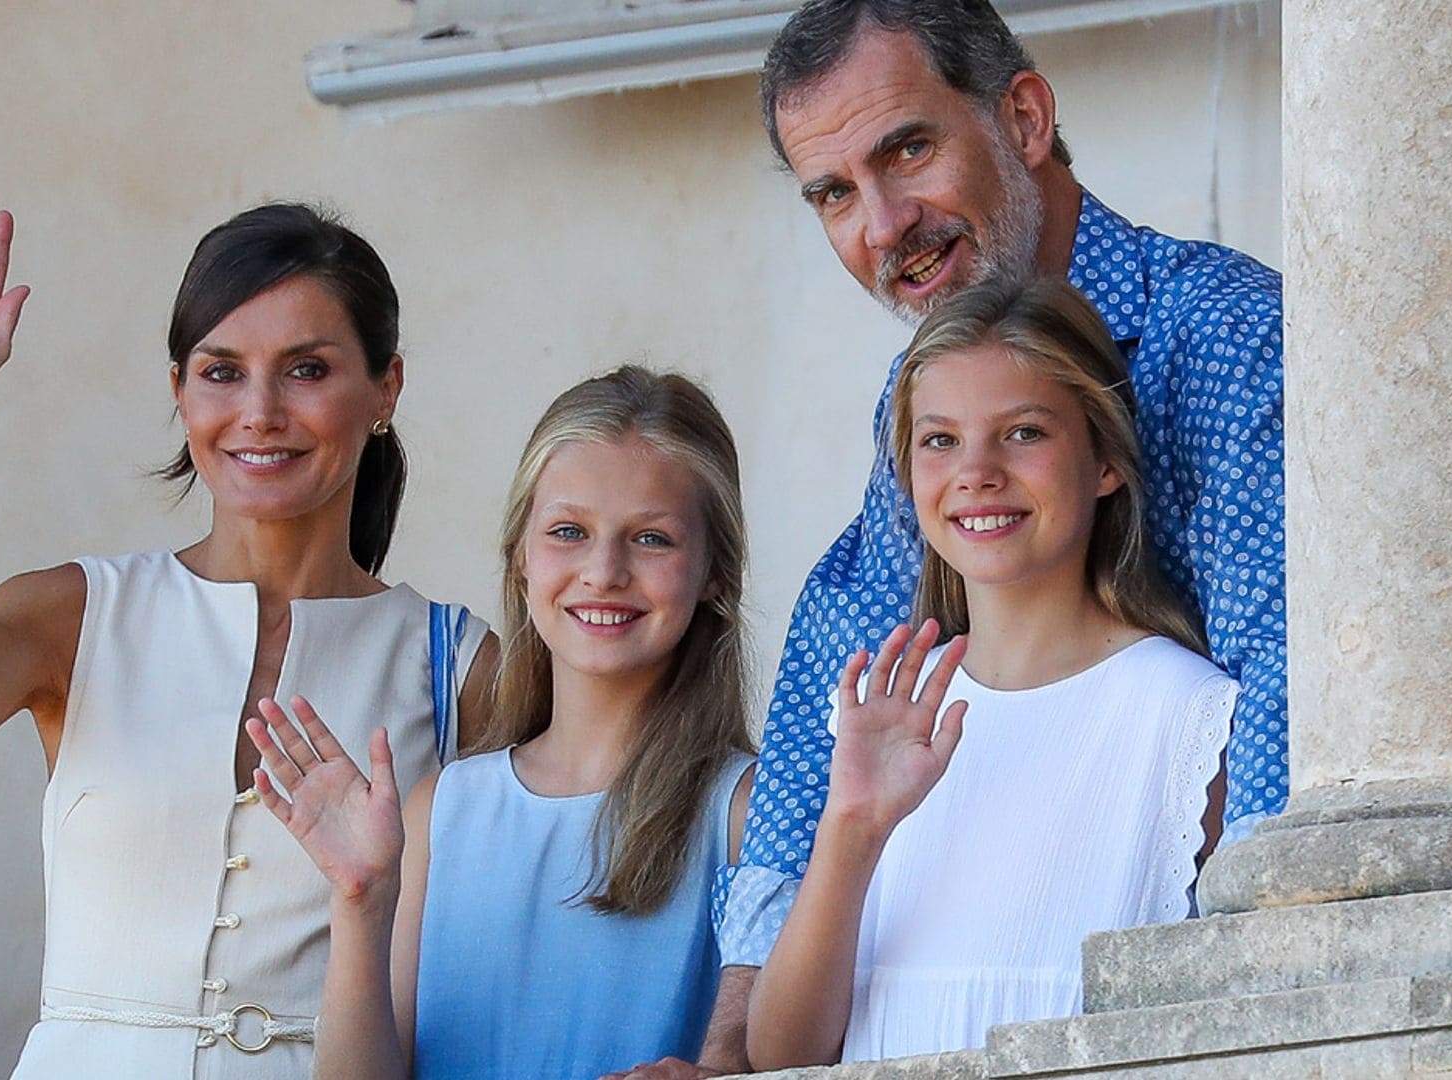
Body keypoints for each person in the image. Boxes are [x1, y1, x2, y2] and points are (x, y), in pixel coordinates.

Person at [654, 3, 1288, 1069]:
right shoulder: (915, 388)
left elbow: (1286, 681)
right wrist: (727, 1051)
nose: (884, 223)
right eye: (834, 194)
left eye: (908, 149)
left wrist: (1258, 1024)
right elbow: (837, 674)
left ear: (1026, 118)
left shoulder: (1224, 336)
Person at [0, 197, 496, 1079]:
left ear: (386, 389)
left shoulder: (459, 665)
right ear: (179, 389)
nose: (259, 411)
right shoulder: (73, 614)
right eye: (221, 371)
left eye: (307, 369)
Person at [747, 278, 1235, 1066]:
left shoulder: (1184, 717)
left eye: (1023, 433)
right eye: (940, 440)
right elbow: (781, 1054)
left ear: (1106, 460)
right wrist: (854, 826)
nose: (975, 471)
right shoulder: (881, 711)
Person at [245, 367, 759, 1079]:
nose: (603, 571)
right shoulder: (441, 811)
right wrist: (361, 899)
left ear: (715, 572)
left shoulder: (749, 811)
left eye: (652, 539)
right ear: (520, 558)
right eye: (569, 532)